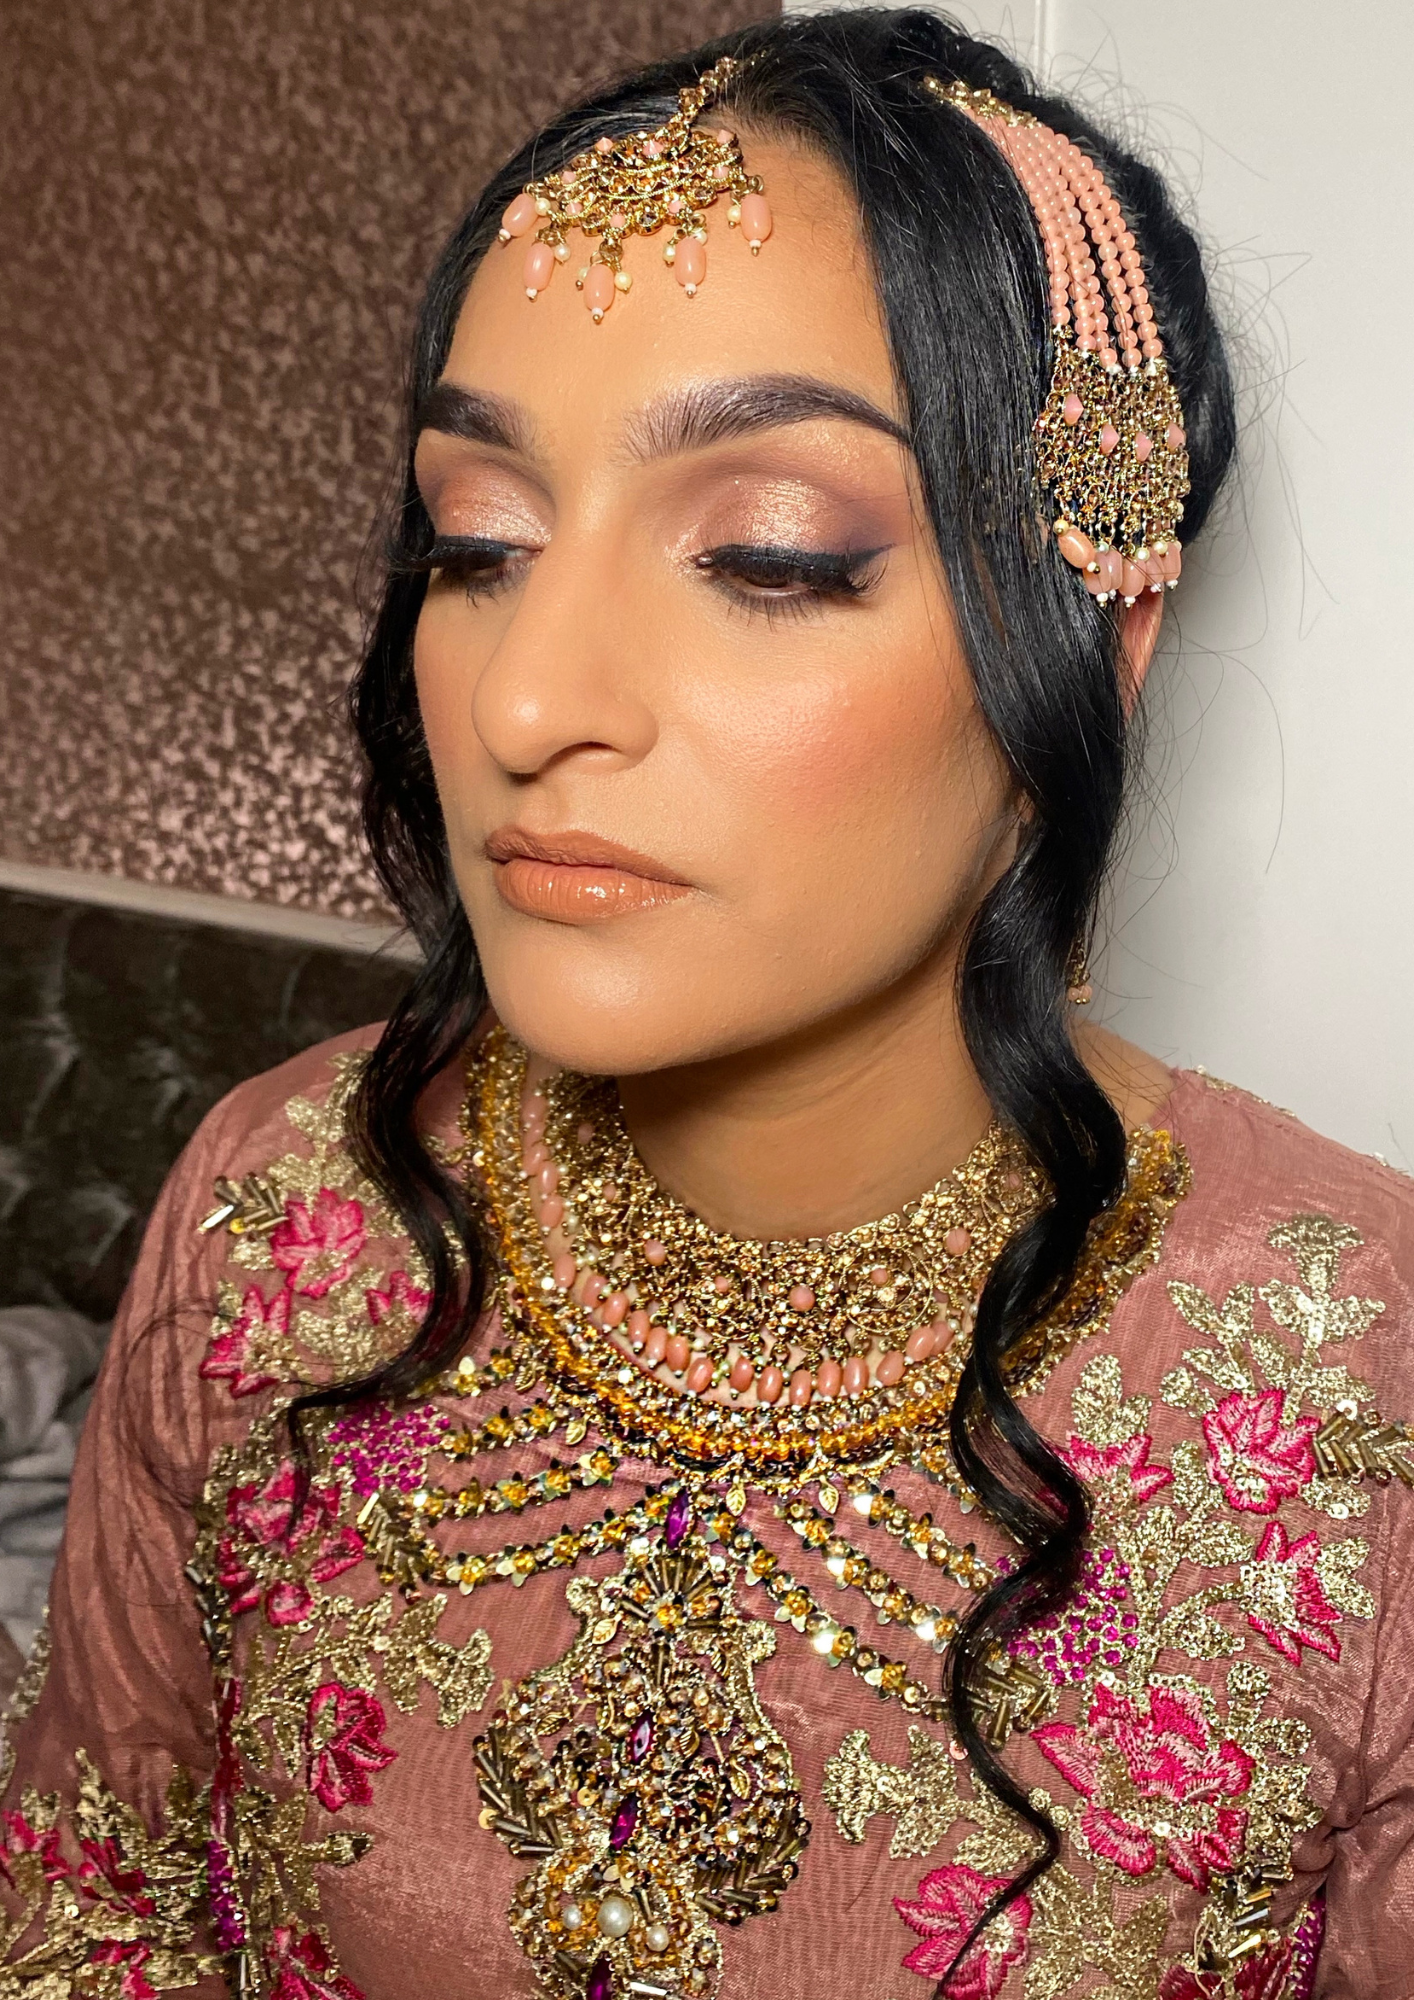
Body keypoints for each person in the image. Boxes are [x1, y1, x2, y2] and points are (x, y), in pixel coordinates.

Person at [2, 10, 1409, 1997]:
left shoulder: (1359, 1385)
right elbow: (93, 1921)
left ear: (1090, 645)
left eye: (766, 555)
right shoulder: (287, 1208)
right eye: (476, 543)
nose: (521, 697)